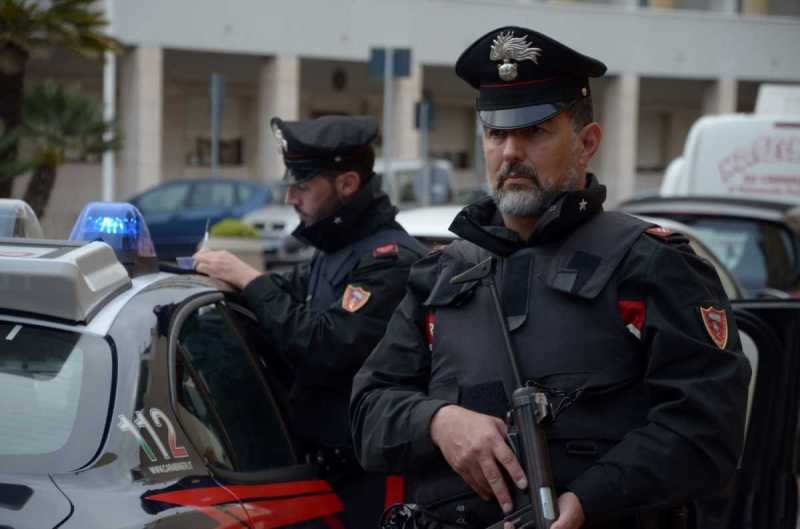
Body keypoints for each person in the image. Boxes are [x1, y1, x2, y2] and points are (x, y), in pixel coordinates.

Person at [350, 26, 751, 529]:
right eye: (496, 134)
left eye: (535, 132)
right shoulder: (439, 273)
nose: (510, 152)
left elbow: (707, 430)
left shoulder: (652, 265)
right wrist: (438, 421)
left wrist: (589, 500)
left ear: (587, 142)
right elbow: (368, 412)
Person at [194, 115, 426, 529]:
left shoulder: (388, 261)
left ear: (347, 184)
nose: (290, 197)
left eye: (302, 185)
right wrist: (233, 283)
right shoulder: (337, 250)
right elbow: (281, 303)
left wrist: (248, 278)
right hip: (319, 473)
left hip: (368, 482)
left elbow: (324, 345)